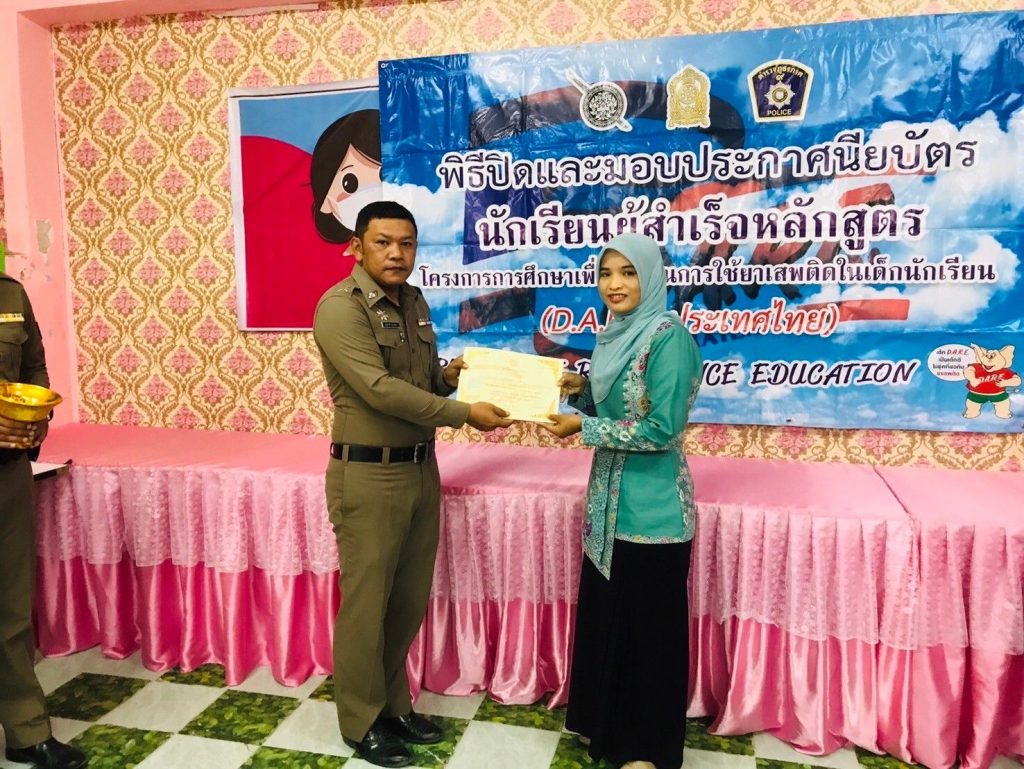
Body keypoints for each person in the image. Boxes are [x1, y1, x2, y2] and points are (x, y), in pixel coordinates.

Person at [312, 200, 511, 768]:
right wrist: (464, 412)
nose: (397, 253)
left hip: (420, 469)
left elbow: (419, 382)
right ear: (357, 246)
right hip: (368, 474)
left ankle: (393, 706)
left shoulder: (414, 301)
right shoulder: (340, 308)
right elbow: (379, 389)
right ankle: (360, 721)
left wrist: (449, 377)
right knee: (366, 605)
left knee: (405, 601)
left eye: (407, 243)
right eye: (383, 242)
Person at [540, 232, 702, 769]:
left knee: (649, 634)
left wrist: (583, 427)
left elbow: (661, 429)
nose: (614, 284)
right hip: (606, 507)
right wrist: (578, 390)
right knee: (611, 620)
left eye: (628, 273)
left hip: (653, 512)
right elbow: (615, 405)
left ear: (650, 277)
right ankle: (607, 729)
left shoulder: (668, 338)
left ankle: (645, 749)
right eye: (606, 273)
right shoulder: (614, 336)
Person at [0, 271, 87, 769]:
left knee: (11, 610)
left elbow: (34, 368)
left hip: (7, 472)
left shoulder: (9, 292)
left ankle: (26, 730)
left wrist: (34, 422)